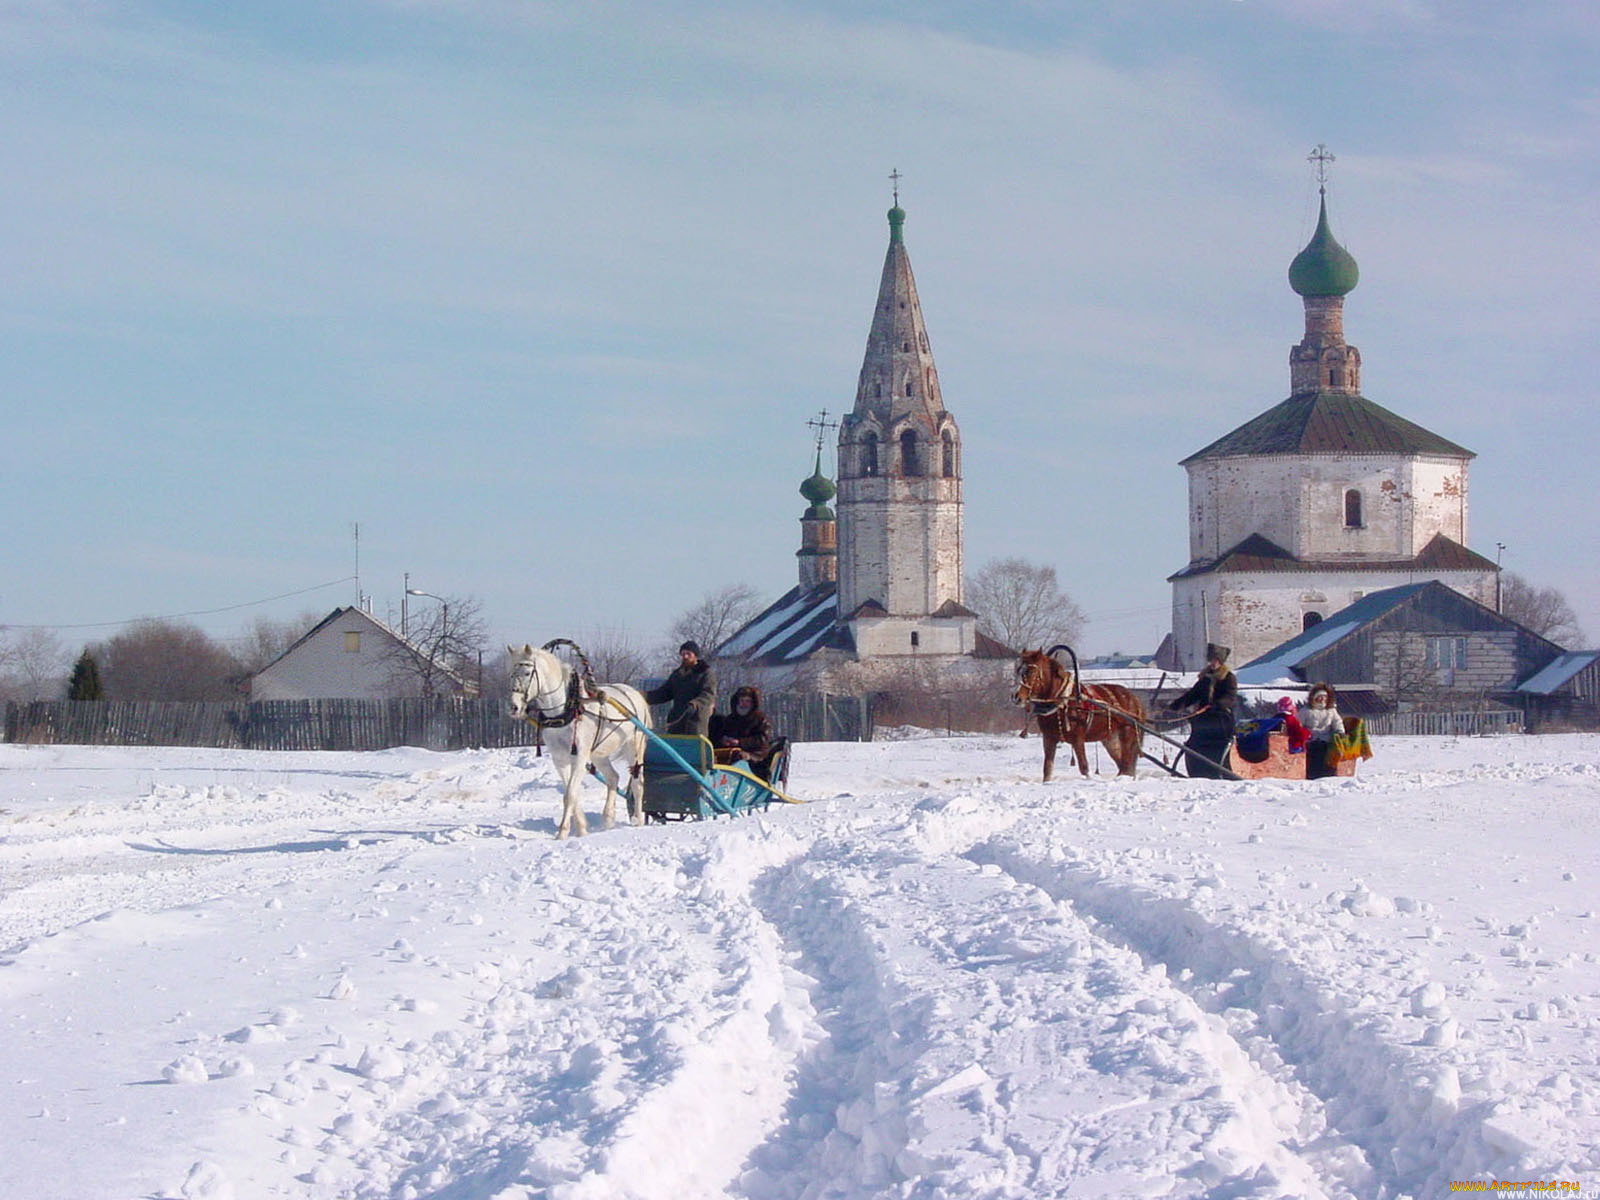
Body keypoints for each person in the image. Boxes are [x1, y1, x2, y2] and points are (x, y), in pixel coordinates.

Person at [1166, 643, 1238, 779]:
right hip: (1204, 717)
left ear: (1220, 661)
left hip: (1221, 718)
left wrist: (1216, 705)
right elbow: (1193, 695)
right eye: (1210, 660)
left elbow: (1230, 697)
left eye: (1214, 660)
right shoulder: (1205, 678)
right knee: (1195, 741)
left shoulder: (1229, 678)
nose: (1211, 663)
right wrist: (1175, 706)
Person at [644, 641, 717, 738]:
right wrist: (643, 696)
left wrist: (695, 704)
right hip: (676, 721)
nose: (685, 656)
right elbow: (664, 693)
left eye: (688, 654)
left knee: (693, 749)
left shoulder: (705, 673)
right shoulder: (677, 675)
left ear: (695, 655)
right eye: (683, 654)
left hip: (695, 721)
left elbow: (708, 694)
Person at [709, 685, 775, 776]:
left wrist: (740, 742)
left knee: (740, 757)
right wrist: (724, 741)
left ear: (753, 704)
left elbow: (762, 739)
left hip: (755, 755)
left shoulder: (761, 720)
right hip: (731, 753)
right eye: (742, 701)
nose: (744, 704)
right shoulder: (729, 719)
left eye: (747, 701)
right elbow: (721, 734)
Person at [1302, 682, 1343, 780]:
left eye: (1324, 697)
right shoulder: (1306, 711)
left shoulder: (1331, 711)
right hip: (1311, 741)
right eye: (1319, 697)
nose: (1322, 699)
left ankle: (1327, 777)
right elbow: (1298, 724)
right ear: (1314, 698)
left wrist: (1339, 731)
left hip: (1326, 741)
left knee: (1326, 759)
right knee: (1313, 761)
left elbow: (1337, 721)